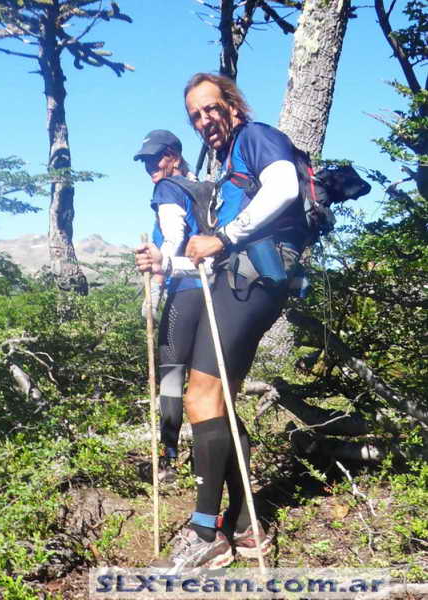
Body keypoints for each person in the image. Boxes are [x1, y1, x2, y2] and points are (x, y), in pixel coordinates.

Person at [136, 74, 307, 572]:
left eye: (210, 108)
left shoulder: (256, 137)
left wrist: (226, 236)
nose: (204, 120)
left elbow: (285, 186)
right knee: (220, 403)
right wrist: (167, 264)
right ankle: (247, 525)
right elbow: (208, 254)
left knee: (199, 397)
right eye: (195, 115)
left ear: (231, 104)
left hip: (250, 281)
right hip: (237, 279)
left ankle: (204, 532)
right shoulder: (227, 162)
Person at [134, 129, 204, 482]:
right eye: (145, 161)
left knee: (172, 376)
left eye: (155, 158)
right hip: (212, 290)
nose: (150, 166)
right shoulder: (201, 187)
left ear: (173, 156)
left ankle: (168, 460)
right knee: (207, 382)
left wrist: (156, 288)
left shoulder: (167, 188)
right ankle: (209, 462)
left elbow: (173, 237)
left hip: (184, 290)